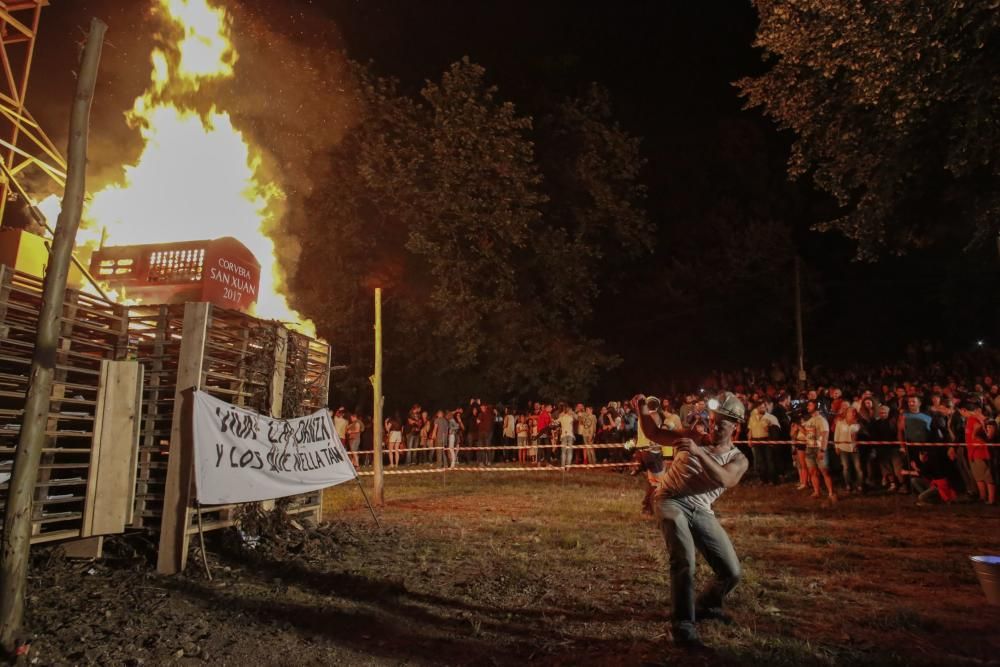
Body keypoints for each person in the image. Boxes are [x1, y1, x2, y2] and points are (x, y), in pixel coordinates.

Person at [633, 391, 749, 649]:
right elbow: (655, 433)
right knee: (684, 559)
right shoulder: (693, 436)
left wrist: (698, 453)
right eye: (715, 419)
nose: (716, 425)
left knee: (731, 572)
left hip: (701, 509)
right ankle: (682, 624)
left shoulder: (738, 459)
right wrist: (641, 410)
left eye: (723, 423)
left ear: (736, 427)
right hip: (670, 499)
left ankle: (707, 604)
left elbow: (725, 479)